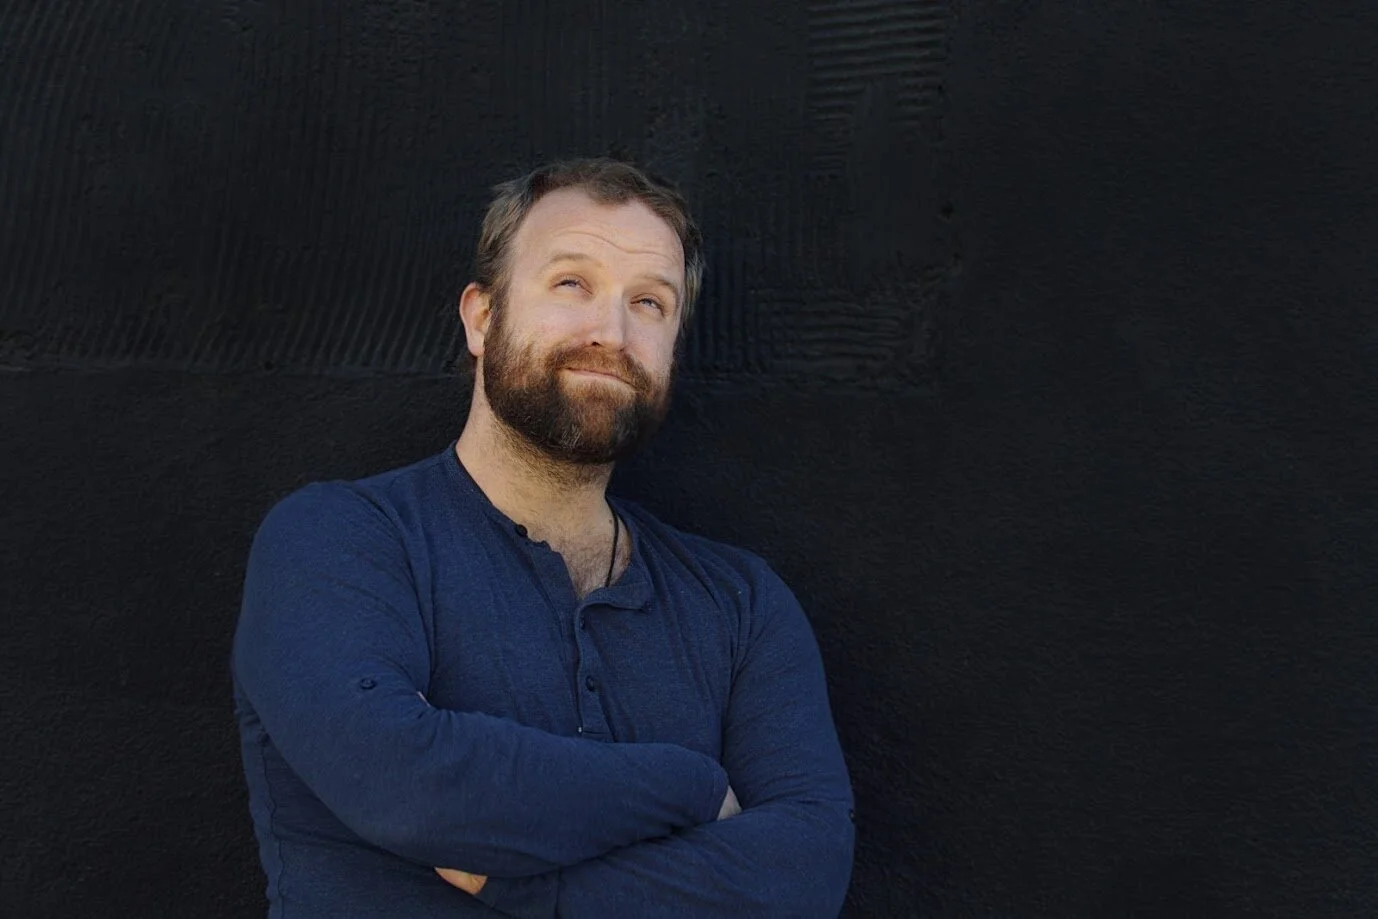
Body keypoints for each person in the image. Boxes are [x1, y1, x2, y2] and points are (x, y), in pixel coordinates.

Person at [231, 158, 855, 917]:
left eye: (650, 303)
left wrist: (538, 890)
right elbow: (400, 782)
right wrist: (694, 786)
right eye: (571, 283)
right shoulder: (340, 539)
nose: (610, 334)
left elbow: (808, 870)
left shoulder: (741, 603)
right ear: (481, 318)